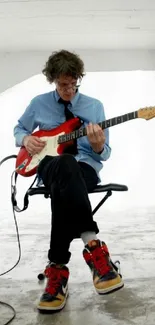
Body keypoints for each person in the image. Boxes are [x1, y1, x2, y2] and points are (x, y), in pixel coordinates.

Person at [13, 50, 124, 312]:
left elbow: (104, 153)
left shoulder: (94, 106)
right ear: (53, 80)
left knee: (69, 173)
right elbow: (19, 129)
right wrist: (26, 140)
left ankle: (57, 271)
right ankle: (94, 249)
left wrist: (98, 146)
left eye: (74, 83)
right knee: (63, 165)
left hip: (84, 168)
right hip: (48, 166)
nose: (69, 89)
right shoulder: (38, 103)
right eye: (63, 84)